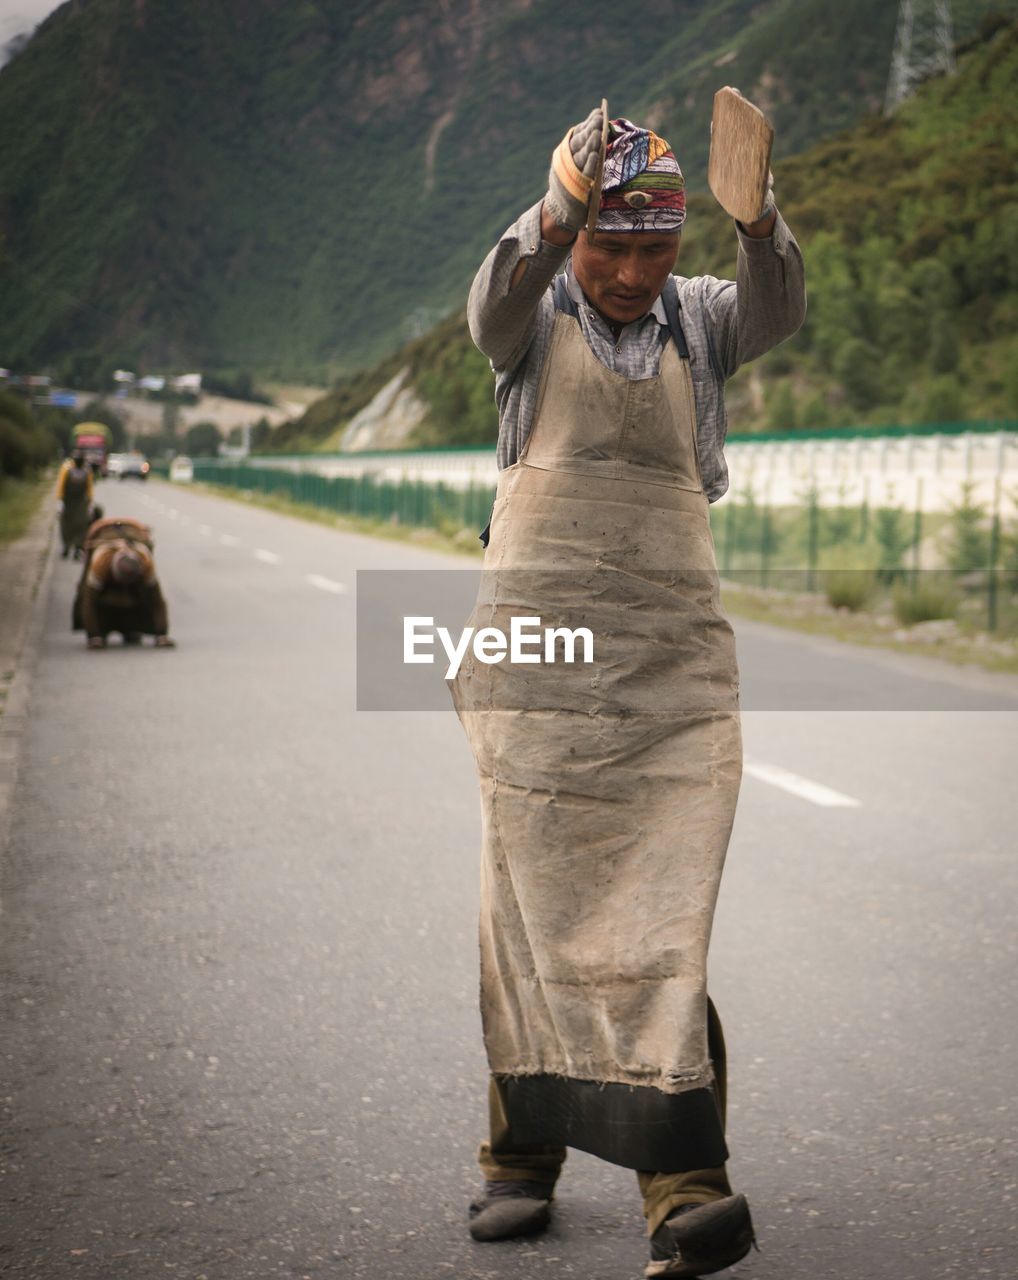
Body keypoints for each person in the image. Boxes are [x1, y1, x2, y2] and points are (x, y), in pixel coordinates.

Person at [451, 100, 805, 1279]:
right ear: (576, 231)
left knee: (660, 908)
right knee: (535, 899)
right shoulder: (533, 313)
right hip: (538, 655)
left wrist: (757, 225)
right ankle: (518, 1154)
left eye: (654, 248)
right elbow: (491, 299)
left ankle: (684, 1189)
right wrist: (552, 213)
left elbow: (777, 306)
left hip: (665, 654)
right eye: (611, 243)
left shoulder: (699, 319)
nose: (630, 271)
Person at [72, 517, 175, 649]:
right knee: (92, 598)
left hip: (134, 593)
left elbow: (157, 600)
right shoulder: (101, 562)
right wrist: (93, 636)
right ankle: (102, 629)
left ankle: (132, 628)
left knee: (145, 596)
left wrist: (162, 635)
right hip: (106, 595)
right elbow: (88, 601)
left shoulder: (145, 562)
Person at [55, 451, 94, 559]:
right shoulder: (66, 469)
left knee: (81, 524)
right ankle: (66, 547)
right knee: (66, 524)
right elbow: (61, 485)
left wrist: (90, 503)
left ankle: (78, 548)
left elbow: (89, 488)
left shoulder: (87, 471)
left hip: (81, 502)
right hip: (68, 501)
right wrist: (60, 501)